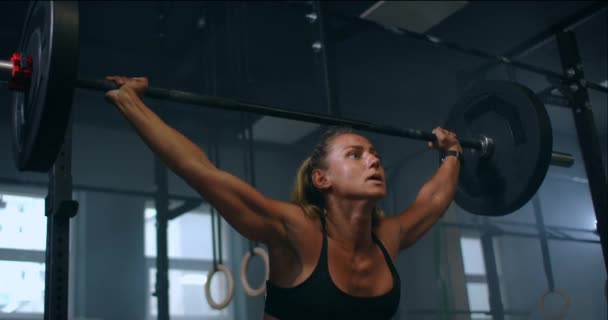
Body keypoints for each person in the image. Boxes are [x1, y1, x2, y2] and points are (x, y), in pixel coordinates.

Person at [105, 76, 462, 319]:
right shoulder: (295, 230)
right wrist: (130, 103)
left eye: (373, 154)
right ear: (321, 178)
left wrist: (453, 153)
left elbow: (433, 201)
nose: (374, 160)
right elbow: (200, 171)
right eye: (355, 154)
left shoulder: (388, 237)